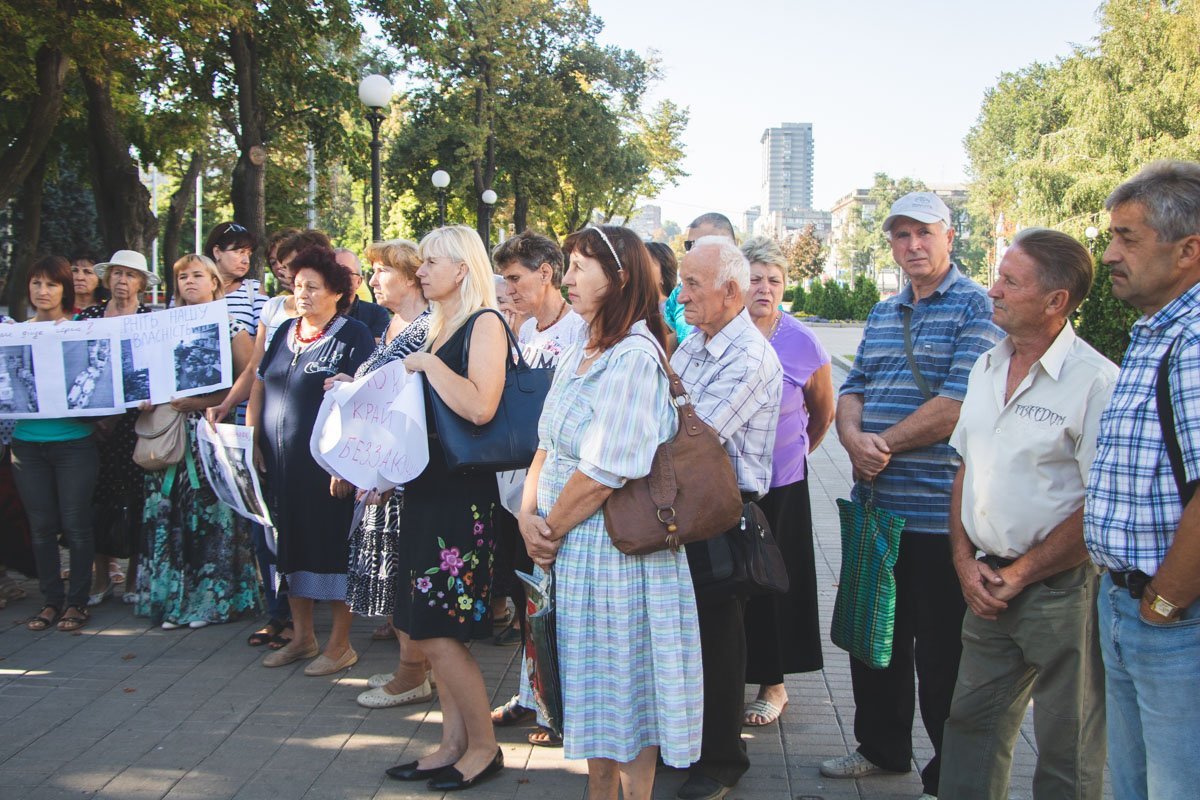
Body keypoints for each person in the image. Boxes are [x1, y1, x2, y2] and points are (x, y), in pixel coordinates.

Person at [824, 192, 1002, 800]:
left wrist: (883, 445)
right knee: (875, 637)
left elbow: (957, 404)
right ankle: (881, 748)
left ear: (949, 235)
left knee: (943, 653)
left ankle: (947, 774)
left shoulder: (978, 307)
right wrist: (850, 437)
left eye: (923, 233)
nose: (912, 246)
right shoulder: (882, 312)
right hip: (876, 508)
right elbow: (856, 385)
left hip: (939, 514)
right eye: (900, 236)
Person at [517, 224, 701, 799]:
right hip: (570, 552)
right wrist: (527, 515)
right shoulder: (582, 346)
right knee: (593, 695)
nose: (566, 277)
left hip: (614, 556)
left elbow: (604, 469)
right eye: (568, 265)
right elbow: (545, 443)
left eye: (579, 266)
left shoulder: (634, 356)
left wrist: (548, 529)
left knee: (625, 693)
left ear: (619, 278)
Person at [939, 229, 1115, 799]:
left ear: (1055, 300)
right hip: (987, 583)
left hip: (1059, 590)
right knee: (972, 725)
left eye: (1011, 282)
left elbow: (1100, 505)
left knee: (1068, 743)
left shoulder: (1096, 383)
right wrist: (965, 564)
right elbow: (967, 467)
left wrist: (1020, 574)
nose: (994, 291)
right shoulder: (987, 365)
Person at [1084, 160, 1200, 800]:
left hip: (1173, 619)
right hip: (1131, 605)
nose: (1109, 254)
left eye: (1128, 238)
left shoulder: (1194, 339)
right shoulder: (1158, 333)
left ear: (1189, 250)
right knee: (1134, 783)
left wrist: (1164, 602)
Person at [383, 226, 505, 790]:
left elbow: (480, 406)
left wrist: (429, 367)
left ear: (462, 269)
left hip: (460, 498)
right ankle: (451, 743)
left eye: (432, 262)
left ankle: (482, 747)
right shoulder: (439, 328)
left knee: (439, 631)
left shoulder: (484, 324)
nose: (420, 271)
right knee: (427, 627)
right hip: (428, 490)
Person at [671, 235, 783, 800]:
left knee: (718, 642)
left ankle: (721, 761)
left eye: (692, 284)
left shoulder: (749, 356)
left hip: (718, 513)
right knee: (684, 637)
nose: (681, 294)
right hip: (677, 506)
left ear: (731, 292)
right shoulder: (695, 341)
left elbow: (693, 437)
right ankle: (689, 748)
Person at [249, 245, 373, 674]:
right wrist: (253, 438)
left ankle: (340, 646)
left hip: (327, 471)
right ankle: (302, 638)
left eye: (313, 287)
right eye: (298, 285)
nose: (302, 294)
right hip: (281, 467)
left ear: (337, 292)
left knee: (333, 549)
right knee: (291, 547)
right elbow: (261, 382)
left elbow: (362, 402)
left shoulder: (353, 335)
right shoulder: (285, 332)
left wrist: (346, 466)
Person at [210, 229, 332, 651]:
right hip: (268, 440)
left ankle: (309, 624)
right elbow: (257, 375)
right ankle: (278, 616)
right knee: (267, 532)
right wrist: (235, 412)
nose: (285, 269)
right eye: (282, 263)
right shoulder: (275, 316)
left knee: (307, 534)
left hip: (313, 452)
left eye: (295, 262)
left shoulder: (340, 322)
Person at [326, 239, 433, 709]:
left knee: (406, 575)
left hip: (402, 476)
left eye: (381, 271)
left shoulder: (428, 328)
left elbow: (405, 398)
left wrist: (357, 388)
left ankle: (414, 674)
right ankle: (412, 669)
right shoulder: (394, 324)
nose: (372, 280)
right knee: (394, 575)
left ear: (410, 277)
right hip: (380, 468)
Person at [489, 230, 584, 742]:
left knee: (559, 604)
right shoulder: (525, 334)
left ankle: (557, 706)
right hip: (519, 490)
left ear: (547, 273)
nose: (510, 289)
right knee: (531, 599)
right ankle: (532, 692)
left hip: (561, 494)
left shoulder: (580, 333)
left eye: (516, 278)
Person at [135, 255, 261, 629]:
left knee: (208, 516)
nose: (189, 282)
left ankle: (210, 601)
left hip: (207, 432)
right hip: (167, 434)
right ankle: (172, 600)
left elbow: (250, 379)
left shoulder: (231, 323)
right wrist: (143, 396)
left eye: (197, 276)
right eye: (182, 277)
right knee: (167, 514)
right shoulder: (159, 325)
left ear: (213, 282)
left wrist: (205, 403)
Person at [738, 236, 834, 727]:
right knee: (734, 582)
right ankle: (734, 670)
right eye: (756, 278)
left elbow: (823, 412)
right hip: (730, 486)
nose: (764, 288)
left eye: (774, 281)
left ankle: (774, 684)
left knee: (777, 581)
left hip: (783, 485)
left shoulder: (801, 340)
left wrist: (794, 453)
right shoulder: (723, 333)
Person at [12, 257, 99, 632]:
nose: (42, 291)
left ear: (65, 290)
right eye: (36, 284)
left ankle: (77, 602)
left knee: (77, 525)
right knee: (41, 526)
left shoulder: (83, 330)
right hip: (27, 445)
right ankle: (50, 601)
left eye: (51, 284)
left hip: (74, 444)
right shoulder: (13, 334)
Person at [79, 250, 156, 607]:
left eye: (130, 275)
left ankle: (133, 578)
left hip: (136, 423)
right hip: (96, 424)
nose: (122, 281)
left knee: (137, 496)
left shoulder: (151, 319)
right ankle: (101, 575)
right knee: (98, 498)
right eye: (117, 274)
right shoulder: (90, 317)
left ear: (141, 283)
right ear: (107, 279)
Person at [662, 212, 736, 342]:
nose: (694, 252)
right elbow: (673, 339)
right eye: (690, 245)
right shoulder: (679, 293)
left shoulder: (755, 294)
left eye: (703, 244)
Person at [204, 221, 266, 337]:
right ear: (217, 252)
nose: (246, 260)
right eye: (239, 252)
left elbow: (264, 340)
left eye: (248, 254)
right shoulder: (190, 287)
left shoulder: (254, 289)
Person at [333, 248, 391, 341]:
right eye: (331, 272)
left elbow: (375, 352)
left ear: (359, 281)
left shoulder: (375, 314)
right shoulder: (314, 313)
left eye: (345, 272)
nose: (337, 277)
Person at [266, 227, 300, 295]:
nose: (278, 266)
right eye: (273, 262)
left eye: (283, 257)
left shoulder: (325, 290)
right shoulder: (276, 303)